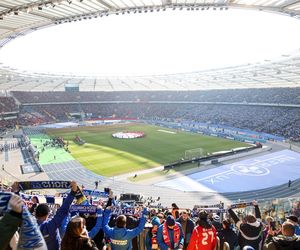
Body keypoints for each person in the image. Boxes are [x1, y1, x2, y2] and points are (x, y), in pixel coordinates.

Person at [35, 180, 78, 250]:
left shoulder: (29, 226)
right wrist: (73, 192)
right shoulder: (50, 225)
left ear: (35, 214)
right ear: (47, 214)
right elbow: (62, 210)